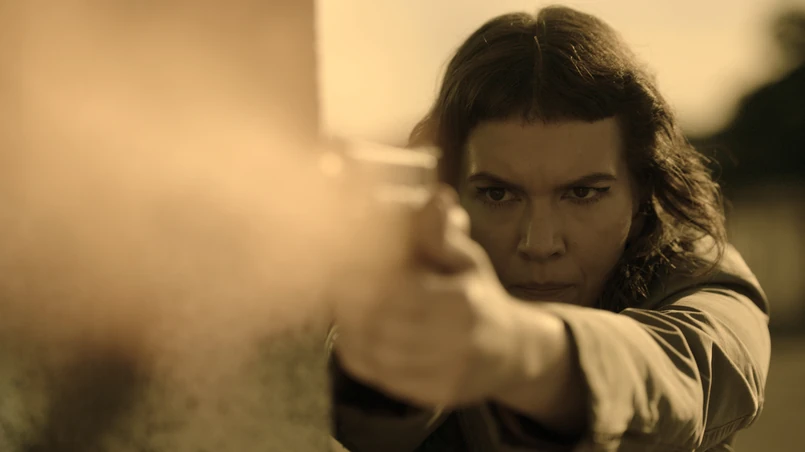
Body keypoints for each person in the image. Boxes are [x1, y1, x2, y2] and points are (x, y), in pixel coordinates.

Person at [328, 5, 770, 452]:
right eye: (498, 194)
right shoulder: (413, 276)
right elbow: (361, 426)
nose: (539, 244)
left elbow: (678, 380)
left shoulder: (703, 279)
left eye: (582, 193)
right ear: (450, 194)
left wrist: (510, 346)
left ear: (640, 196)